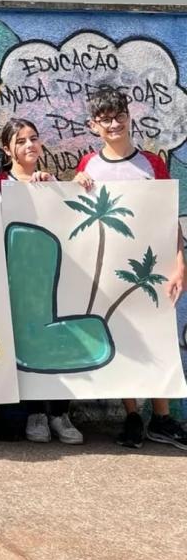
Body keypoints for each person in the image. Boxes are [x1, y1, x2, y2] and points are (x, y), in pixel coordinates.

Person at [73, 84, 187, 450]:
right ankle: (133, 417)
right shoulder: (88, 166)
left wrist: (180, 264)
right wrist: (75, 185)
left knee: (158, 340)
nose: (114, 124)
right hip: (108, 273)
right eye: (105, 119)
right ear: (94, 125)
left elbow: (170, 220)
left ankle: (163, 418)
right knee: (122, 342)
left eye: (119, 116)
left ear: (129, 115)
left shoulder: (152, 163)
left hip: (153, 271)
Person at [0, 118, 84, 445]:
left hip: (51, 279)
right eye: (21, 141)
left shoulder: (51, 182)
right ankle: (34, 413)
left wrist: (69, 185)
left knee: (57, 343)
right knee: (25, 347)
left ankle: (59, 413)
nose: (29, 145)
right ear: (7, 149)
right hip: (12, 281)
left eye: (33, 138)